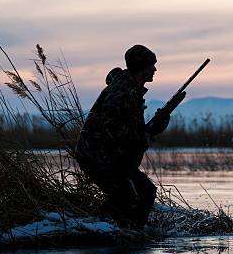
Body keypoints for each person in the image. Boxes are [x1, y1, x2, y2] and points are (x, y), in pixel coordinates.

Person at [75, 45, 178, 229]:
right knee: (132, 195)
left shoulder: (132, 90)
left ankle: (125, 231)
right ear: (141, 68)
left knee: (142, 192)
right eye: (151, 65)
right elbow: (114, 131)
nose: (155, 69)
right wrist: (145, 134)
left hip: (108, 155)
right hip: (98, 155)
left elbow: (129, 131)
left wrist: (154, 127)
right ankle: (100, 229)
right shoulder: (122, 92)